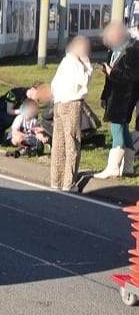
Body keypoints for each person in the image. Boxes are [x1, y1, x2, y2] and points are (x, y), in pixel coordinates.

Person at [95, 22, 139, 179]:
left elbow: (133, 75)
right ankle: (127, 167)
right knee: (124, 129)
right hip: (114, 94)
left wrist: (113, 72)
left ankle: (113, 167)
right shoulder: (113, 50)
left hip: (125, 96)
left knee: (117, 129)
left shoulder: (133, 50)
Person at [50, 36, 93, 190]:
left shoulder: (64, 62)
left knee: (58, 143)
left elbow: (53, 85)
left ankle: (56, 180)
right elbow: (84, 81)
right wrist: (88, 64)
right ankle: (69, 182)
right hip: (72, 103)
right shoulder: (76, 63)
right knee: (72, 142)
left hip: (59, 103)